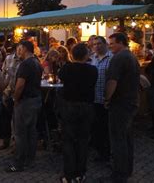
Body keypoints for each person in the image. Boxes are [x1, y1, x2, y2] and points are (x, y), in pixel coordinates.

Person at [104, 32, 140, 182]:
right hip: (131, 101)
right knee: (127, 137)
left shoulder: (118, 58)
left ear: (120, 43)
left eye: (112, 43)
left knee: (118, 138)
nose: (110, 46)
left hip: (120, 103)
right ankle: (127, 168)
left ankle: (119, 174)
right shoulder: (131, 57)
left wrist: (107, 98)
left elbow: (112, 81)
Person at [58, 43, 97, 182]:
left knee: (68, 141)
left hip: (69, 106)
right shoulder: (93, 70)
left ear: (71, 54)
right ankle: (80, 173)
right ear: (86, 55)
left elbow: (60, 78)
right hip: (86, 107)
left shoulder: (66, 68)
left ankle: (69, 174)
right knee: (83, 140)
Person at [6, 40, 42, 173]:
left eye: (19, 49)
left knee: (20, 133)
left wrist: (15, 98)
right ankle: (30, 160)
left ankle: (19, 162)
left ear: (25, 48)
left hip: (25, 102)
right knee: (31, 132)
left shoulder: (25, 64)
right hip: (36, 100)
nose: (18, 52)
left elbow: (20, 85)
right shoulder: (37, 62)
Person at [90, 36, 112, 162]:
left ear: (105, 44)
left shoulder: (111, 58)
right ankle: (100, 152)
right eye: (94, 44)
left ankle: (107, 153)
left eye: (99, 43)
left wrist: (109, 97)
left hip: (106, 98)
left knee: (106, 128)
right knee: (97, 127)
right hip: (95, 98)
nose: (96, 46)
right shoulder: (93, 58)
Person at [0, 44, 20, 150]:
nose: (20, 51)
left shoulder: (25, 61)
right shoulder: (8, 58)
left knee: (16, 120)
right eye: (19, 49)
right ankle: (5, 141)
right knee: (6, 119)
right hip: (7, 92)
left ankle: (16, 144)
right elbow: (3, 72)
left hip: (18, 93)